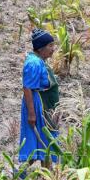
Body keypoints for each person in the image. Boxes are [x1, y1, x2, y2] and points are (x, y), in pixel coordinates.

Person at [19, 28, 59, 168]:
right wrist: (32, 114)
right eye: (50, 46)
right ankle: (20, 178)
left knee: (44, 143)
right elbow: (27, 88)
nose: (53, 49)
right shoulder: (33, 63)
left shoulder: (39, 61)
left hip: (42, 106)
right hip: (37, 107)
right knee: (38, 142)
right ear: (41, 48)